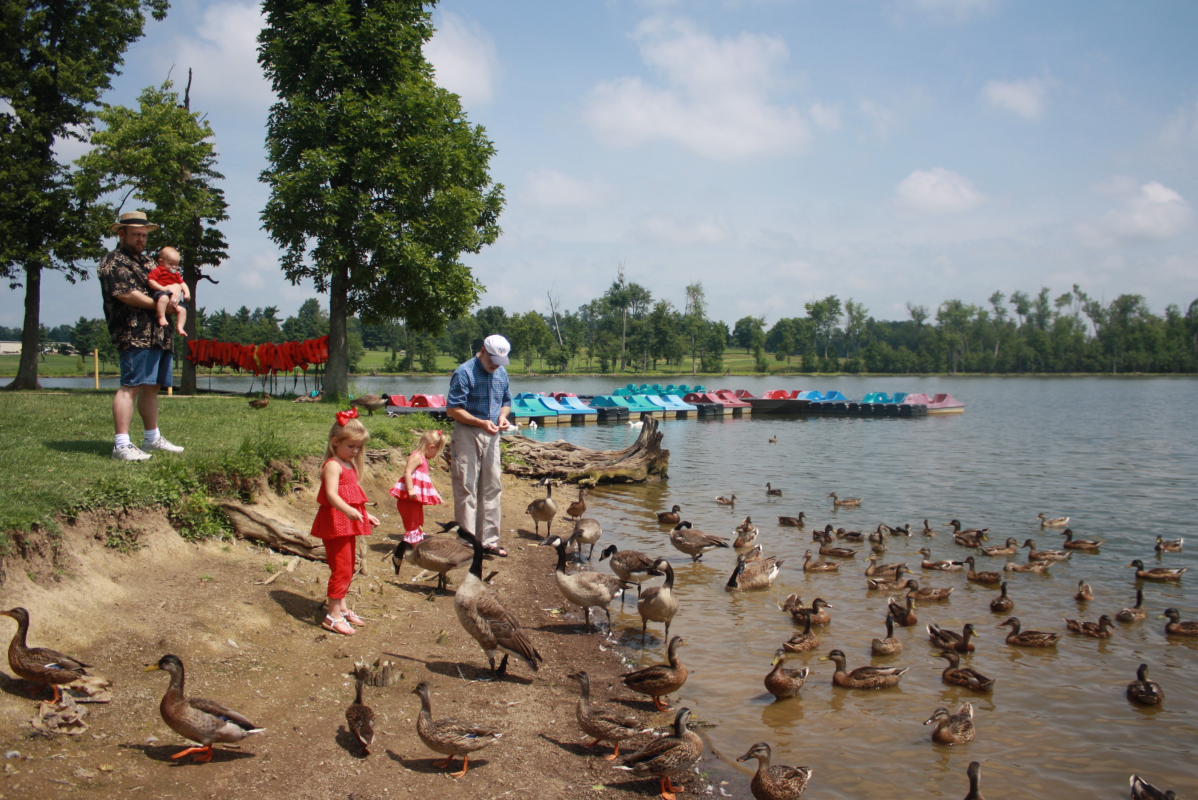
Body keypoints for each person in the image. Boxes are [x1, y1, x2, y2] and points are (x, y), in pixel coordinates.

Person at [97, 211, 185, 462]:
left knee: (152, 387)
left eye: (144, 235)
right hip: (133, 332)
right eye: (136, 235)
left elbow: (170, 282)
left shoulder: (149, 263)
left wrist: (176, 294)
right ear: (121, 233)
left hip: (159, 333)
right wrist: (158, 305)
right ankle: (121, 444)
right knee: (131, 386)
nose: (141, 240)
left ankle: (152, 437)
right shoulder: (113, 262)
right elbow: (125, 294)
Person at [310, 409, 380, 635]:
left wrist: (364, 513)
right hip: (335, 522)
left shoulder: (350, 464)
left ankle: (342, 606)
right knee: (341, 567)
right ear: (335, 443)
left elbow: (351, 495)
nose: (356, 450)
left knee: (348, 565)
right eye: (351, 446)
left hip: (347, 521)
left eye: (359, 447)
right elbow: (331, 495)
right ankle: (333, 615)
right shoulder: (333, 465)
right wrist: (349, 510)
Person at [446, 334, 513, 557]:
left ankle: (489, 541)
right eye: (492, 359)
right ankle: (467, 542)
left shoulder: (501, 372)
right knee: (466, 485)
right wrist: (479, 422)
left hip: (492, 432)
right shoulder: (464, 372)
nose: (496, 365)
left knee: (492, 486)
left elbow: (506, 402)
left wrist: (503, 417)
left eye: (500, 361)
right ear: (483, 350)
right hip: (468, 431)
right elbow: (453, 409)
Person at [390, 429, 446, 544]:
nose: (435, 455)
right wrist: (410, 490)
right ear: (431, 447)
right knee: (412, 521)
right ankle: (413, 544)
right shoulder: (417, 456)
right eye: (437, 451)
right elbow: (408, 472)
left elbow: (424, 480)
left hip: (415, 500)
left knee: (418, 520)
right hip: (409, 498)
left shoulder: (424, 458)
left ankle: (417, 539)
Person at [147, 246, 190, 336]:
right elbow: (151, 281)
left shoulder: (176, 273)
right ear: (161, 262)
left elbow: (182, 283)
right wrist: (161, 288)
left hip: (173, 296)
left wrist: (187, 293)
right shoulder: (159, 270)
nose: (174, 267)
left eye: (176, 265)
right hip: (162, 291)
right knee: (164, 298)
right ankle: (161, 316)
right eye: (170, 264)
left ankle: (180, 327)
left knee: (183, 310)